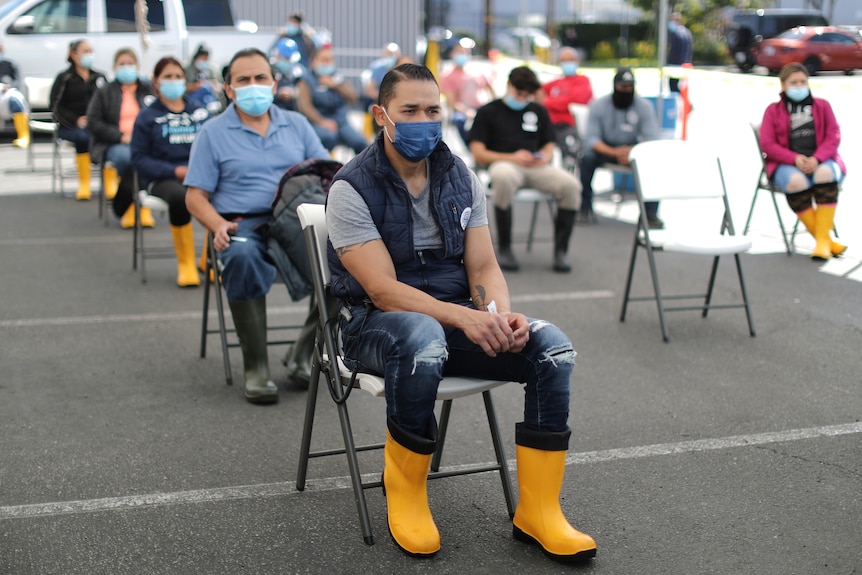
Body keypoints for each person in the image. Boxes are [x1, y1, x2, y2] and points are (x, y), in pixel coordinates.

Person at [325, 62, 596, 562]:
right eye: (410, 110)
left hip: (448, 320)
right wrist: (464, 318)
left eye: (433, 110)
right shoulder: (350, 187)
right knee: (421, 336)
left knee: (550, 347)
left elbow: (485, 265)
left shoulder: (459, 176)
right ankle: (404, 492)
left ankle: (539, 511)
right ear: (381, 115)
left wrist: (497, 315)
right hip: (373, 327)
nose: (423, 120)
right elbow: (384, 291)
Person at [185, 48, 330, 404]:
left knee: (347, 260)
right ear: (229, 89)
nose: (254, 86)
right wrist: (216, 224)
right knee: (242, 256)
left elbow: (325, 172)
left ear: (274, 82)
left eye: (260, 78)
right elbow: (194, 197)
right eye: (243, 80)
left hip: (295, 217)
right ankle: (256, 368)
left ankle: (303, 353)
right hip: (240, 224)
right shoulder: (213, 132)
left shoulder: (296, 124)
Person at [469, 66, 581, 273]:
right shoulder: (488, 112)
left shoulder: (537, 110)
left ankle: (561, 251)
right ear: (509, 85)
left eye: (527, 95)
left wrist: (544, 157)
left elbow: (549, 143)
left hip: (535, 166)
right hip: (504, 163)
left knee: (571, 185)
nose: (522, 98)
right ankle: (504, 248)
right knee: (502, 177)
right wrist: (512, 157)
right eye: (519, 93)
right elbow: (478, 152)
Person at [130, 56, 212, 286]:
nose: (174, 81)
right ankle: (186, 263)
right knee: (180, 198)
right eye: (168, 77)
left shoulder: (200, 112)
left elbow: (216, 147)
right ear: (156, 82)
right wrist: (175, 171)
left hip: (200, 176)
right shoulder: (147, 117)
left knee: (226, 193)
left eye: (178, 76)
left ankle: (210, 260)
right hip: (162, 179)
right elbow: (138, 159)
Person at [760, 62, 847, 261]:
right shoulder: (772, 111)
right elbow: (768, 144)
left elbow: (833, 136)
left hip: (822, 160)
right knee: (795, 182)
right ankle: (825, 241)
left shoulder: (822, 106)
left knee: (825, 174)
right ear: (783, 85)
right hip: (787, 164)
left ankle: (823, 242)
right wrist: (794, 158)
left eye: (803, 82)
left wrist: (817, 159)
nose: (799, 86)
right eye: (794, 82)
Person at [579, 67, 661, 227]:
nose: (627, 90)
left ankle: (650, 214)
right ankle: (585, 208)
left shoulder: (644, 106)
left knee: (652, 161)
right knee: (587, 158)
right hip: (605, 148)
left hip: (633, 149)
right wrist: (614, 152)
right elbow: (591, 139)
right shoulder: (598, 105)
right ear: (615, 86)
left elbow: (651, 139)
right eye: (623, 87)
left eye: (630, 87)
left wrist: (632, 152)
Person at [86, 47, 155, 228]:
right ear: (115, 67)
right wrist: (120, 136)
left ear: (137, 66)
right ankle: (135, 205)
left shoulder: (148, 89)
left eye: (130, 64)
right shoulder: (105, 91)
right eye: (122, 64)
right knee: (128, 158)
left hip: (146, 142)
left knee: (155, 158)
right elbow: (93, 122)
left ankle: (131, 200)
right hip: (115, 142)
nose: (127, 67)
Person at [49, 39, 107, 200]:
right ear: (74, 55)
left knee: (110, 136)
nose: (89, 54)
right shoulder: (64, 78)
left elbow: (109, 102)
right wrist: (76, 120)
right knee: (83, 137)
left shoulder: (99, 77)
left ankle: (111, 182)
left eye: (91, 51)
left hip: (96, 124)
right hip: (71, 126)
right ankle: (84, 184)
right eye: (85, 51)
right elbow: (55, 106)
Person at [296, 46, 367, 155]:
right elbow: (305, 106)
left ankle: (360, 170)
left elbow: (353, 97)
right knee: (328, 139)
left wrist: (335, 86)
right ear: (314, 62)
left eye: (330, 60)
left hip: (341, 123)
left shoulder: (337, 77)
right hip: (318, 122)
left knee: (360, 143)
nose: (328, 63)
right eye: (324, 60)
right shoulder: (306, 80)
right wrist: (322, 121)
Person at [537, 47, 593, 169]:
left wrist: (548, 102)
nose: (567, 63)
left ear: (577, 61)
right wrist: (556, 102)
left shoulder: (582, 81)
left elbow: (575, 101)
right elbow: (537, 91)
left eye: (570, 60)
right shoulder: (557, 82)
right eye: (563, 60)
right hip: (548, 125)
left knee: (570, 156)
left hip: (569, 126)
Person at [439, 39, 495, 148]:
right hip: (463, 110)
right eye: (459, 52)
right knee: (459, 120)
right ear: (452, 54)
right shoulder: (447, 76)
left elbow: (490, 89)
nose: (463, 55)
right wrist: (468, 112)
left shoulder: (477, 71)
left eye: (465, 52)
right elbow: (453, 102)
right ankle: (473, 149)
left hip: (482, 108)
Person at [0, 42, 30, 148]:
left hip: (6, 93)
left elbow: (18, 81)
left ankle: (23, 135)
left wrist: (8, 86)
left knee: (15, 101)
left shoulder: (10, 65)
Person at [362, 42, 401, 109]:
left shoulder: (402, 69)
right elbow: (370, 91)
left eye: (394, 55)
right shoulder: (377, 69)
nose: (391, 57)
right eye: (389, 54)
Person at [270, 38, 304, 112]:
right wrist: (278, 94)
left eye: (288, 59)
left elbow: (309, 91)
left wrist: (295, 93)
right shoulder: (270, 70)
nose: (285, 61)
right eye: (282, 58)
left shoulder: (300, 72)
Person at [185, 44, 221, 113]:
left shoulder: (210, 69)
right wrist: (197, 86)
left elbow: (216, 84)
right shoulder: (188, 70)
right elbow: (184, 87)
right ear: (196, 58)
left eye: (206, 59)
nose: (204, 61)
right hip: (192, 98)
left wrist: (213, 85)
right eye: (202, 59)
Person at [667, 13, 693, 94]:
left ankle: (678, 103)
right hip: (686, 63)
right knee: (683, 87)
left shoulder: (676, 33)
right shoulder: (687, 32)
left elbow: (673, 50)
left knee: (673, 85)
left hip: (675, 64)